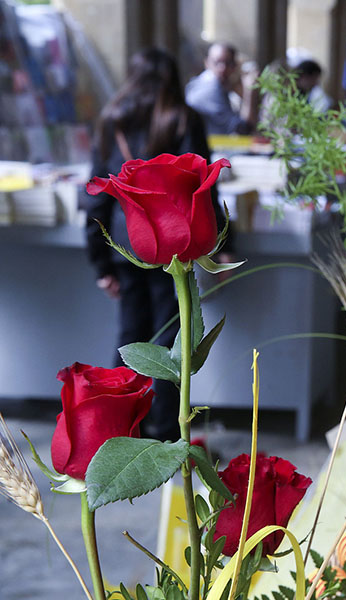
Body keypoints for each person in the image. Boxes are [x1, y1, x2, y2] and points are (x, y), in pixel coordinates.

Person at [81, 48, 231, 441]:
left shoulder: (113, 120)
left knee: (130, 337)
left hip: (131, 243)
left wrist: (101, 264)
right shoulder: (183, 118)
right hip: (177, 241)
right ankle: (167, 432)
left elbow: (96, 199)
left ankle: (121, 430)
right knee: (170, 342)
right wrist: (217, 243)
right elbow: (202, 188)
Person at [185, 42, 260, 134]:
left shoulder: (217, 85)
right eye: (217, 63)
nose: (222, 68)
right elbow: (243, 128)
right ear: (206, 63)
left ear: (235, 67)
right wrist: (250, 90)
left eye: (228, 63)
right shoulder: (209, 87)